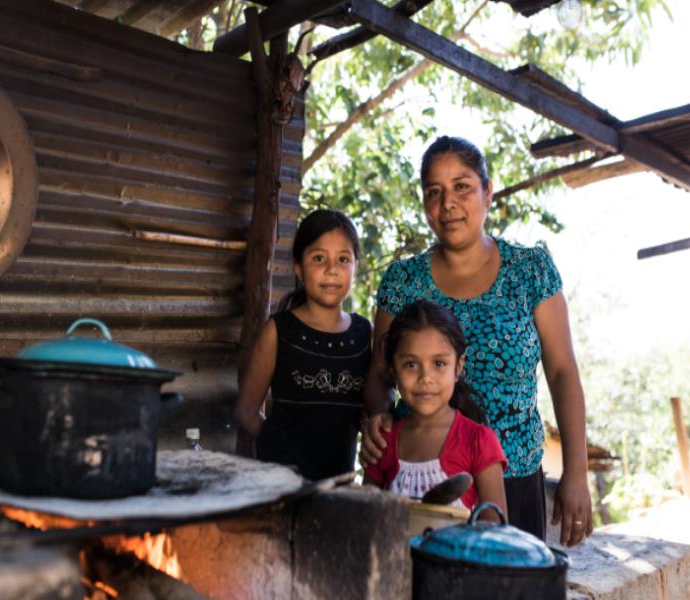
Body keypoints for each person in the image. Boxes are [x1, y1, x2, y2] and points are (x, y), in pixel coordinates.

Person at [361, 136, 593, 545]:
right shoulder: (402, 281)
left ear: (488, 191)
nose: (448, 203)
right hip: (420, 482)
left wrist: (576, 471)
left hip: (515, 477)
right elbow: (380, 376)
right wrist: (377, 420)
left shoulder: (530, 270)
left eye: (462, 186)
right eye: (434, 192)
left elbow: (561, 371)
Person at [235, 209, 371, 481]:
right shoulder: (278, 331)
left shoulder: (364, 334)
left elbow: (371, 409)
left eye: (343, 259)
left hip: (339, 489)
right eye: (319, 258)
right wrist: (278, 451)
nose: (331, 269)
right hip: (282, 487)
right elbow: (246, 411)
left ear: (355, 267)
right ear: (298, 266)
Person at [362, 300, 507, 518]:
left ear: (458, 368)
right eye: (411, 364)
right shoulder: (384, 440)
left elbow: (496, 533)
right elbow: (365, 516)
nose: (425, 378)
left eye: (438, 363)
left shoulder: (479, 441)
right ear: (393, 370)